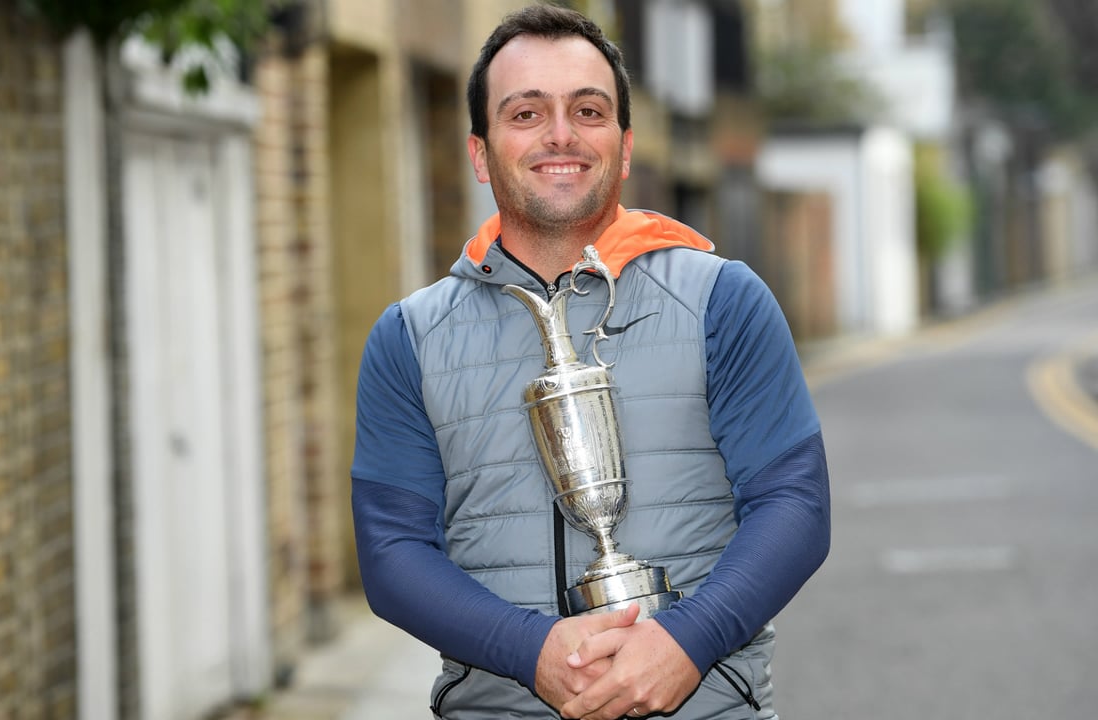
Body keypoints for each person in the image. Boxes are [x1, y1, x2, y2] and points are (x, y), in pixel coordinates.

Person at [350, 5, 831, 719]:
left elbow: (796, 503)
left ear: (626, 146)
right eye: (525, 114)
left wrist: (684, 645)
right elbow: (393, 552)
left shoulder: (723, 299)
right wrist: (532, 652)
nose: (561, 135)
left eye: (588, 109)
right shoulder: (409, 338)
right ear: (479, 152)